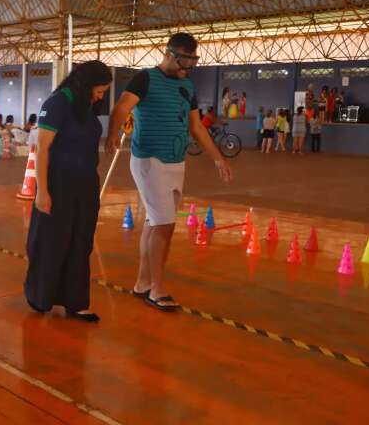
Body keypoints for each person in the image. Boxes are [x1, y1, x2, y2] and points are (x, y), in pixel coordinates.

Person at [105, 32, 232, 312]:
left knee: (155, 222)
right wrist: (112, 135)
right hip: (149, 161)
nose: (188, 68)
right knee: (165, 226)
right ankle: (157, 289)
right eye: (184, 61)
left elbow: (196, 127)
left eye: (192, 62)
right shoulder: (145, 78)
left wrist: (218, 159)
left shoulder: (187, 86)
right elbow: (122, 107)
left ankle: (142, 283)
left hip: (176, 163)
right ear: (170, 54)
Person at [24, 60, 112, 322]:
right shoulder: (57, 103)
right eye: (100, 90)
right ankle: (41, 297)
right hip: (58, 184)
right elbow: (42, 150)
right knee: (53, 241)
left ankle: (76, 302)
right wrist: (42, 191)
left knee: (81, 242)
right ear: (86, 84)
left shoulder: (86, 106)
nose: (101, 96)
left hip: (85, 184)